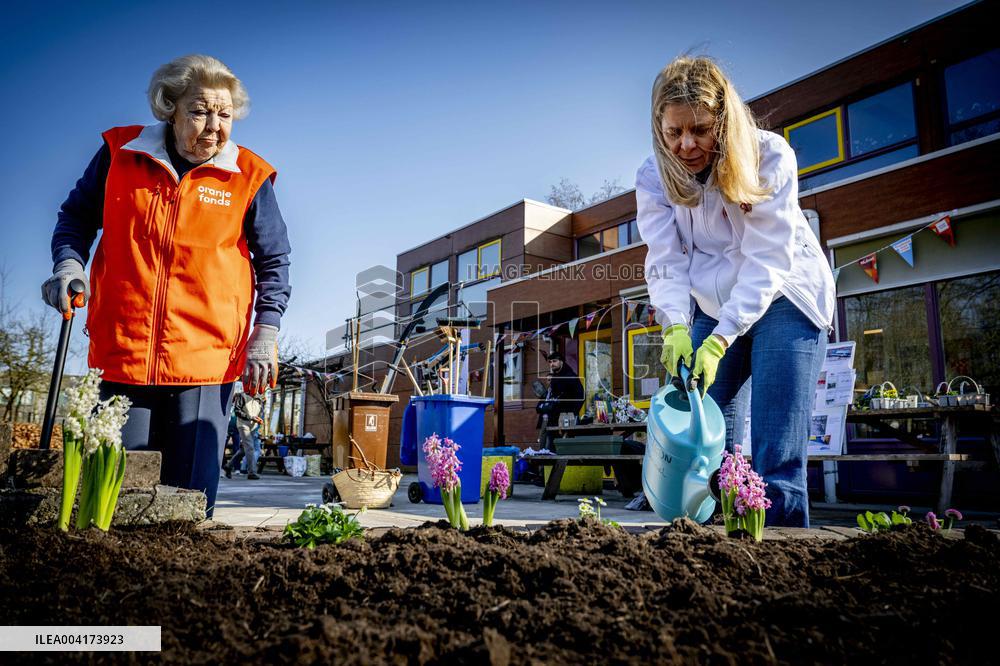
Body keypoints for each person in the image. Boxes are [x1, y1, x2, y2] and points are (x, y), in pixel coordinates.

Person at [42, 54, 291, 516]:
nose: (213, 126)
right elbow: (74, 219)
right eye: (199, 111)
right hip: (122, 355)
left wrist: (266, 332)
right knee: (110, 502)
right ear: (169, 108)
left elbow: (275, 260)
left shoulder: (249, 177)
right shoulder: (121, 154)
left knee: (188, 509)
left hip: (205, 363)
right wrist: (68, 266)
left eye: (225, 114)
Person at [636, 56, 835, 527]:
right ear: (659, 128)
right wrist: (676, 327)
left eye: (700, 130)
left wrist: (721, 339)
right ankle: (706, 551)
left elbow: (767, 260)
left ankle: (781, 551)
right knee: (700, 435)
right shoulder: (654, 176)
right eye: (674, 132)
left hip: (786, 294)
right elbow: (665, 261)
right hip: (712, 303)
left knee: (774, 450)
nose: (686, 145)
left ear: (723, 121)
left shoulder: (769, 157)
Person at [534, 352, 585, 449]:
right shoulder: (554, 377)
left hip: (565, 419)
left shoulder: (571, 376)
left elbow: (581, 396)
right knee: (548, 448)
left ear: (561, 362)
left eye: (554, 361)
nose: (552, 364)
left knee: (563, 447)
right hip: (551, 419)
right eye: (550, 362)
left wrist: (572, 412)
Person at [225, 391, 264, 479]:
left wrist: (259, 419)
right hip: (243, 425)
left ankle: (229, 465)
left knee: (244, 449)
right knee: (250, 447)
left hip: (253, 426)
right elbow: (237, 411)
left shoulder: (259, 397)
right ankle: (252, 472)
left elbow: (260, 412)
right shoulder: (242, 396)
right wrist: (251, 417)